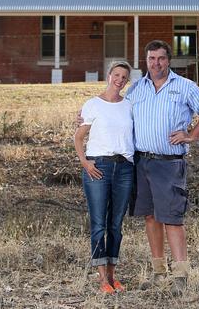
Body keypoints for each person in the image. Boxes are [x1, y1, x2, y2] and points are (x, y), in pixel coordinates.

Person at [127, 40, 199, 294]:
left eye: (161, 58)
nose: (156, 63)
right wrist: (87, 116)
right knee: (150, 217)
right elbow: (118, 113)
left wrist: (192, 134)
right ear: (145, 61)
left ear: (169, 60)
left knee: (172, 219)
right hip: (141, 162)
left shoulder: (184, 87)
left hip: (168, 164)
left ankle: (181, 275)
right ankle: (159, 272)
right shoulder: (137, 89)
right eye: (151, 59)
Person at [73, 61, 135, 295]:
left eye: (124, 77)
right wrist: (85, 162)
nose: (120, 79)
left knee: (116, 225)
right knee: (99, 224)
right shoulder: (93, 104)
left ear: (127, 81)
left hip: (125, 168)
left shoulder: (129, 105)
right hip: (98, 167)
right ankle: (101, 279)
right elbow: (79, 137)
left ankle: (112, 275)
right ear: (109, 75)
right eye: (116, 74)